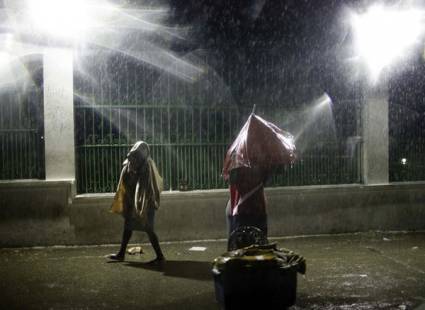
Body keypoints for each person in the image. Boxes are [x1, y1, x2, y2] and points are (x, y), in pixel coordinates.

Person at [107, 141, 165, 264]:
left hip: (147, 203)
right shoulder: (129, 163)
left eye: (139, 155)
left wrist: (141, 204)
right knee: (128, 227)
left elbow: (149, 187)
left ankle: (160, 257)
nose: (136, 157)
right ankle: (121, 254)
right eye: (135, 154)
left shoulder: (148, 166)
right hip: (132, 201)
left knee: (149, 228)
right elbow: (125, 183)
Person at [227, 165, 269, 240]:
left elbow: (233, 190)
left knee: (239, 241)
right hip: (258, 209)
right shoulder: (261, 167)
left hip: (241, 211)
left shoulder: (236, 168)